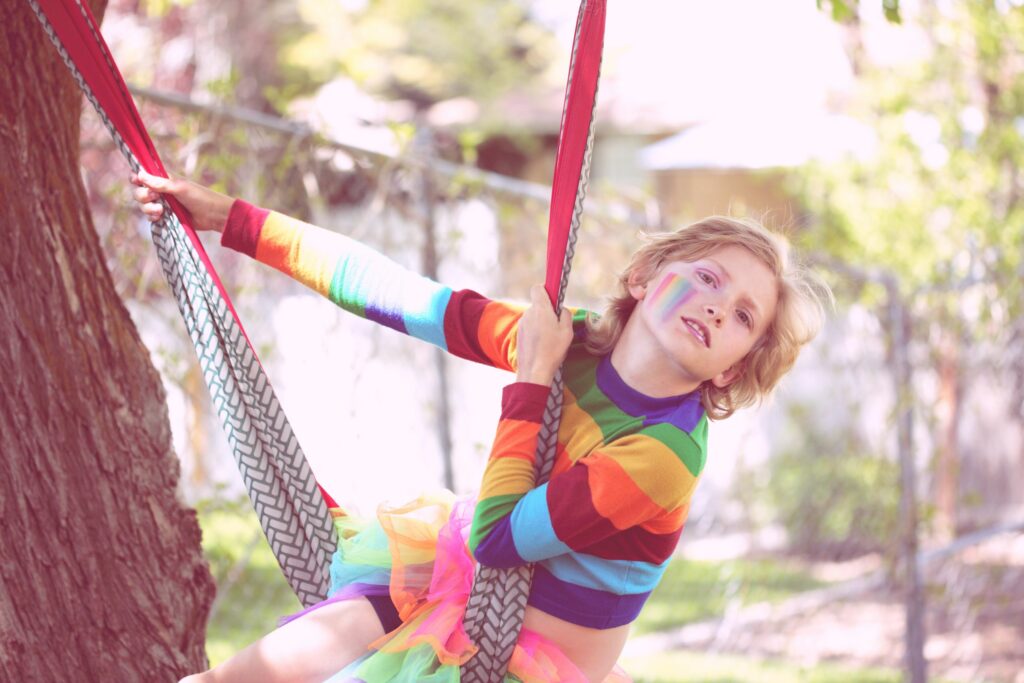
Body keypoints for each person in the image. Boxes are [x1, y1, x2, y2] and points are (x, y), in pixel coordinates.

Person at [132, 169, 830, 682]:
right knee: (269, 662)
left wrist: (531, 378)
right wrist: (229, 218)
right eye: (707, 278)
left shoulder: (662, 456)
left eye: (743, 316)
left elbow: (499, 539)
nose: (717, 307)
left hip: (526, 660)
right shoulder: (571, 341)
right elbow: (401, 296)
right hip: (453, 593)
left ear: (731, 371)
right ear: (645, 275)